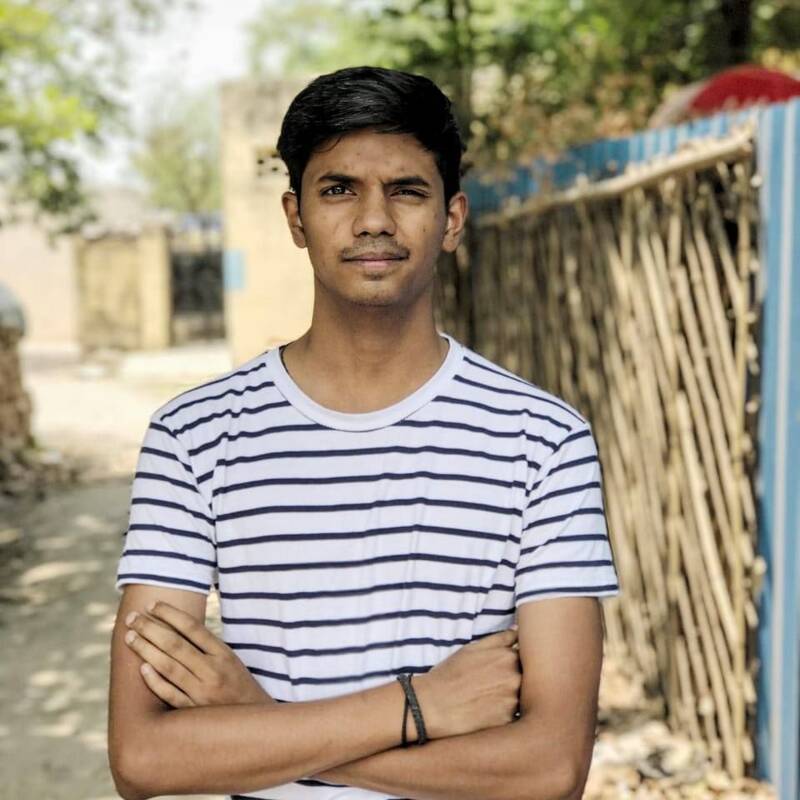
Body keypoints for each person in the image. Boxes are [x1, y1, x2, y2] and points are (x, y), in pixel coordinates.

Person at [108, 65, 619, 800]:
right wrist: (417, 707)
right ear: (295, 218)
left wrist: (259, 719)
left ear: (452, 219)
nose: (373, 219)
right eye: (339, 189)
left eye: (406, 190)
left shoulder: (545, 442)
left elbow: (551, 769)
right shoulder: (193, 437)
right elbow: (143, 757)